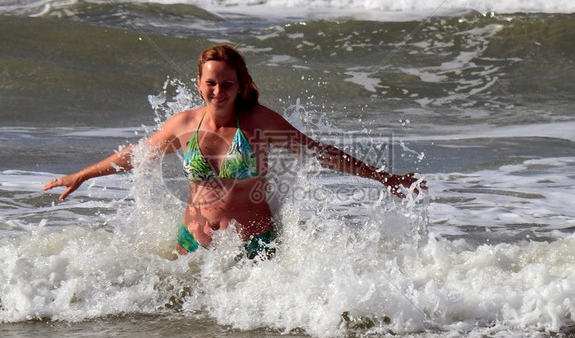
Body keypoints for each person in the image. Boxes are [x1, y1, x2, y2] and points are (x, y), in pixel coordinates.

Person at [43, 43, 425, 257]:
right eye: (211, 82)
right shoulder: (184, 125)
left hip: (253, 244)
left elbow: (316, 152)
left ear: (241, 86)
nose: (218, 91)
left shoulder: (259, 121)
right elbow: (138, 154)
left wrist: (384, 178)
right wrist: (84, 174)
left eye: (227, 83)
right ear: (199, 83)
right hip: (193, 240)